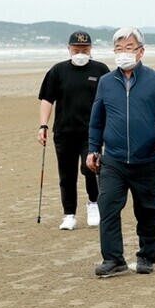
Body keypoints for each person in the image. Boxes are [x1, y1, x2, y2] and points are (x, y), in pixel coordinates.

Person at [87, 27, 155, 276]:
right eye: (118, 49)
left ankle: (146, 256)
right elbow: (96, 121)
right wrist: (92, 149)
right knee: (108, 208)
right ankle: (113, 259)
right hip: (114, 160)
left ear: (141, 52)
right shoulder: (106, 83)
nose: (122, 53)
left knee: (148, 210)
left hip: (147, 159)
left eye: (128, 48)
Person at [37, 30, 111, 230]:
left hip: (92, 132)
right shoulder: (57, 71)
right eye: (76, 49)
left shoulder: (101, 69)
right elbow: (47, 99)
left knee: (91, 167)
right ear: (68, 49)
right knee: (66, 174)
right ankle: (69, 214)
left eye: (85, 50)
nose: (80, 53)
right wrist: (43, 125)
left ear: (91, 49)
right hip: (64, 131)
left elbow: (110, 99)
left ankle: (93, 204)